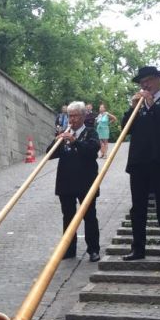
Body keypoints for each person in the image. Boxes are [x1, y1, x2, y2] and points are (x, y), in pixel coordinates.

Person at [121, 66, 160, 263]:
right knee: (137, 207)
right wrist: (133, 108)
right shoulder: (138, 106)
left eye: (148, 80)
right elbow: (125, 129)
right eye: (142, 83)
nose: (145, 85)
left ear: (158, 80)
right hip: (139, 160)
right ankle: (138, 248)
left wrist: (152, 105)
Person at [46, 101, 101, 262]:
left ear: (83, 116)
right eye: (70, 116)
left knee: (89, 216)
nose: (73, 119)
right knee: (68, 217)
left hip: (86, 182)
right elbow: (49, 154)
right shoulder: (65, 133)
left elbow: (92, 151)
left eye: (76, 115)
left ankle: (93, 249)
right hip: (66, 182)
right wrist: (58, 141)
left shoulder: (91, 132)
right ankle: (69, 249)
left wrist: (75, 141)